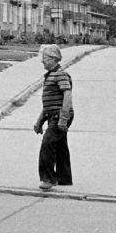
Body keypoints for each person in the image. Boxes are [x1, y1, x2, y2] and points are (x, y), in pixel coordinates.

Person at [33, 45, 73, 190]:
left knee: (47, 144)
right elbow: (49, 103)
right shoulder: (51, 75)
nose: (42, 62)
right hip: (53, 115)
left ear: (53, 59)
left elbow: (67, 95)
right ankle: (63, 178)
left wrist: (63, 118)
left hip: (60, 115)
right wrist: (40, 121)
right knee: (60, 146)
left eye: (44, 58)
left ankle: (48, 179)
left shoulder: (60, 74)